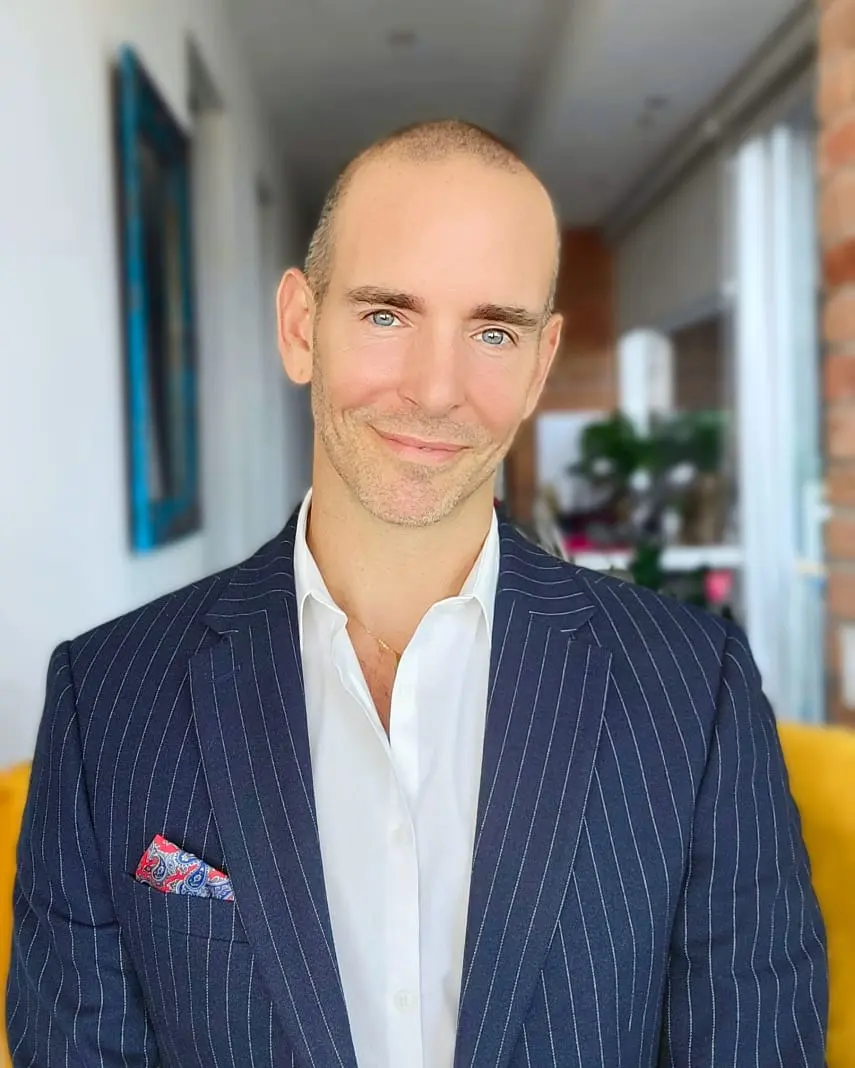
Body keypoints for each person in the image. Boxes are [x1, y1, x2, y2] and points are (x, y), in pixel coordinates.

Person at [7, 119, 827, 1068]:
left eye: (492, 330)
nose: (436, 389)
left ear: (538, 365)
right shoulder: (104, 697)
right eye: (386, 314)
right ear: (300, 327)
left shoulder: (695, 691)